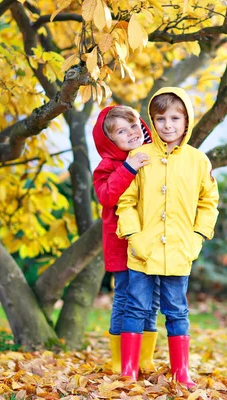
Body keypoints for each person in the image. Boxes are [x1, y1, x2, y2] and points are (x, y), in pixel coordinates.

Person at [116, 88, 219, 388]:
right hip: (141, 250)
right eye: (160, 118)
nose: (168, 125)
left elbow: (208, 202)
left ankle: (181, 372)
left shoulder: (198, 161)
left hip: (179, 251)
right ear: (152, 120)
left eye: (176, 117)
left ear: (187, 121)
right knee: (135, 307)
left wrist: (197, 237)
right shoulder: (139, 156)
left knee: (176, 309)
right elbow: (125, 201)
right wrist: (134, 236)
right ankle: (129, 371)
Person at [91, 105, 161, 375]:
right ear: (110, 140)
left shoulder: (153, 156)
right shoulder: (107, 167)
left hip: (152, 241)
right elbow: (107, 196)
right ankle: (119, 358)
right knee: (126, 297)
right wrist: (129, 167)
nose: (131, 132)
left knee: (152, 299)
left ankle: (144, 357)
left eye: (133, 125)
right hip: (122, 245)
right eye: (121, 131)